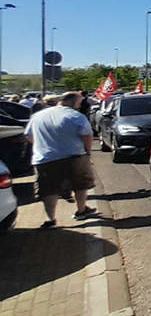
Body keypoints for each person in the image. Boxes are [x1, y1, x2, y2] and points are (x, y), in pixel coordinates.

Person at [24, 91, 97, 228]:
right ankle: (81, 211)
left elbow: (28, 135)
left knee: (48, 189)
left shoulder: (38, 116)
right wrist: (88, 152)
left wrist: (41, 146)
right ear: (71, 102)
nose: (80, 105)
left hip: (45, 158)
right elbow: (87, 136)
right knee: (80, 185)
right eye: (79, 102)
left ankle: (50, 219)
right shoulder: (76, 116)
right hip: (74, 155)